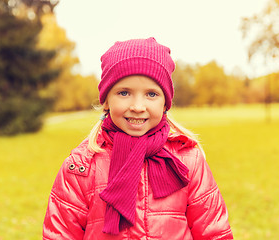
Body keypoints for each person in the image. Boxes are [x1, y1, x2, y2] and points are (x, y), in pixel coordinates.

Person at [43, 37, 233, 239]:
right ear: (106, 101)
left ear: (165, 103)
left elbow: (214, 232)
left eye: (151, 94)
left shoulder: (188, 160)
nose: (137, 106)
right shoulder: (82, 167)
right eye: (124, 92)